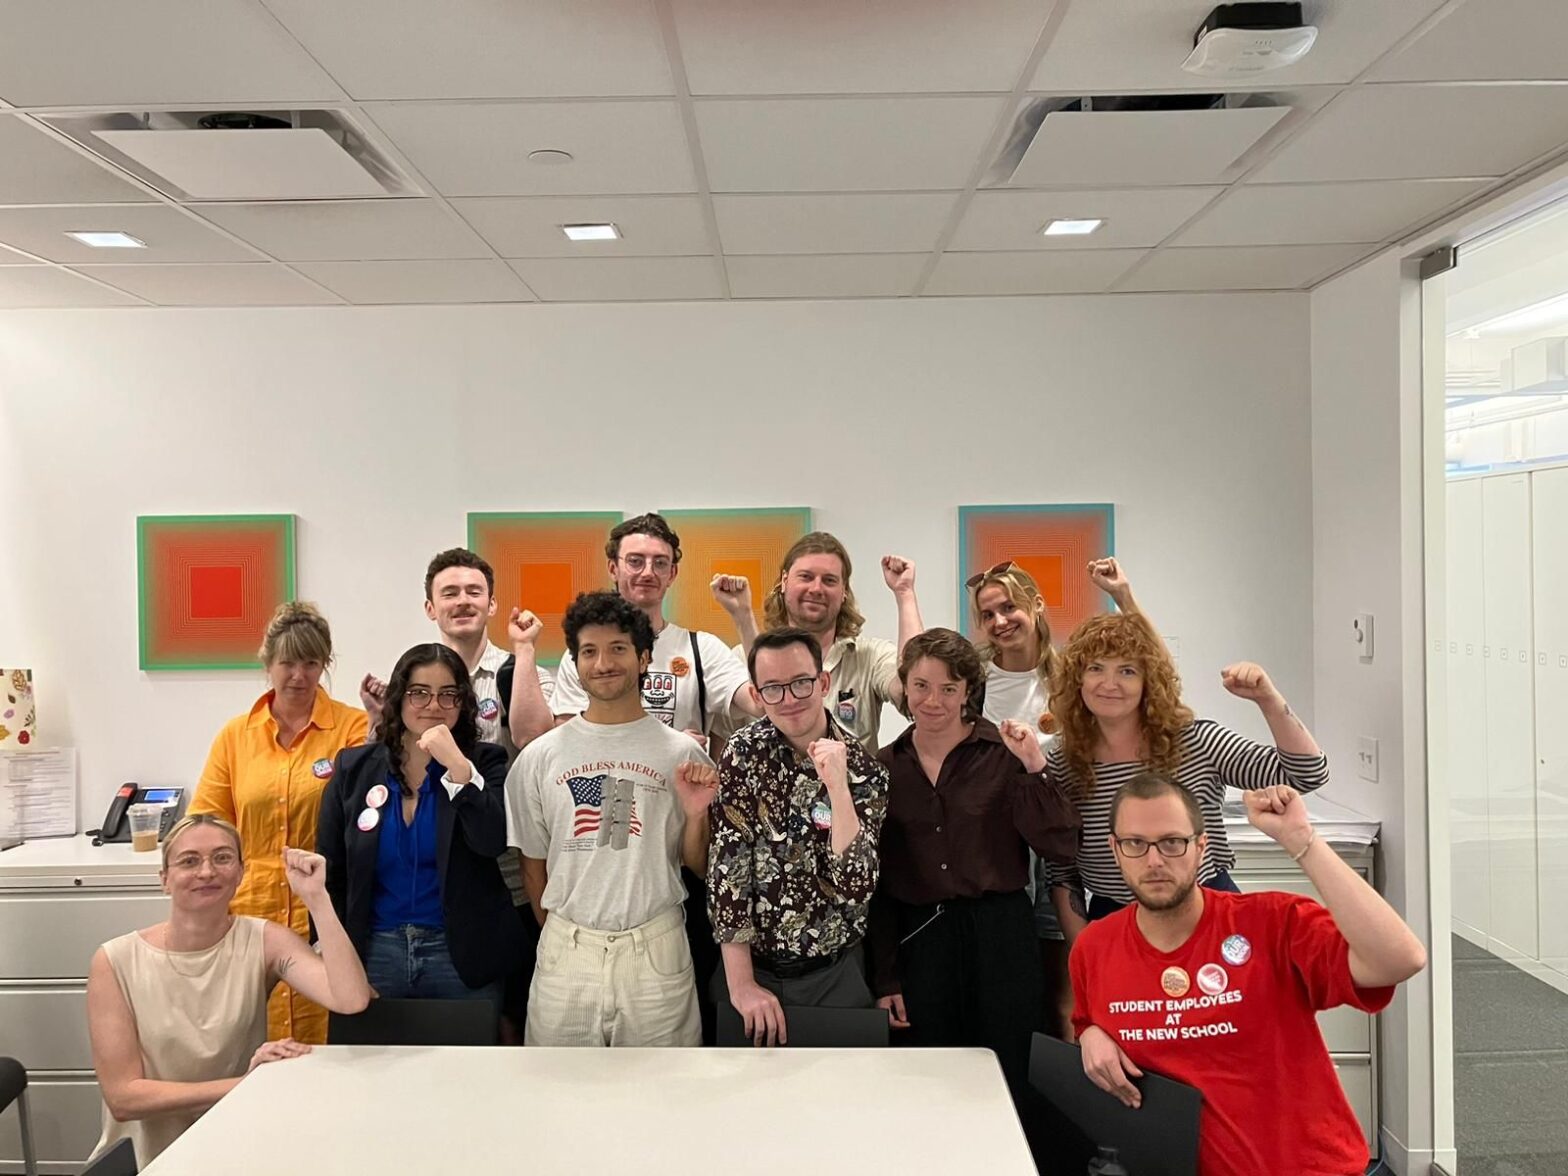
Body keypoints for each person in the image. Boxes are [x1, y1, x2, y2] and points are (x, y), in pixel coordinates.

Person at [1072, 774, 1427, 1174]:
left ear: (1201, 847)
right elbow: (1088, 1021)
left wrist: (1302, 841)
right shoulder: (1093, 947)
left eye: (1172, 842)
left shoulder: (1272, 922)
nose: (1154, 861)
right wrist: (1088, 1034)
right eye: (1135, 843)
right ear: (1115, 850)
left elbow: (1401, 959)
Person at [867, 628, 1081, 1169]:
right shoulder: (884, 766)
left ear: (968, 690)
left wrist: (1035, 767)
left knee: (1010, 1064)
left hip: (1000, 932)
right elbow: (882, 882)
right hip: (922, 937)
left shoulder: (1005, 754)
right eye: (920, 686)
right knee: (931, 1071)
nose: (931, 701)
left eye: (947, 688)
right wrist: (887, 977)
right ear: (904, 687)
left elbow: (1059, 842)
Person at [546, 513, 758, 1043]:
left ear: (673, 573)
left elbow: (761, 703)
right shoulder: (585, 652)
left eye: (659, 563)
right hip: (601, 857)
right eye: (635, 561)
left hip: (676, 854)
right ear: (614, 567)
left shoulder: (701, 649)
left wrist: (744, 619)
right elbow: (573, 739)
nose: (646, 572)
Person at [86, 814, 370, 1167]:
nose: (207, 872)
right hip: (149, 1157)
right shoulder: (115, 960)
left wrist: (317, 900)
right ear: (165, 879)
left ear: (240, 873)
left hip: (237, 1141)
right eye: (189, 861)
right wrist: (247, 1083)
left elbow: (350, 999)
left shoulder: (265, 940)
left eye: (222, 858)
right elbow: (124, 1097)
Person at [506, 591, 720, 1047]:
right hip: (568, 954)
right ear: (575, 662)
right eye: (589, 651)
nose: (603, 662)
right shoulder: (540, 758)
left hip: (656, 953)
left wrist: (696, 814)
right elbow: (532, 867)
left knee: (665, 1096)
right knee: (559, 1095)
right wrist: (570, 939)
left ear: (644, 658)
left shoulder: (682, 754)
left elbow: (700, 866)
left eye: (618, 648)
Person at [1038, 611, 1330, 939]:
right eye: (1095, 669)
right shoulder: (1065, 761)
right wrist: (1084, 954)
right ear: (1078, 678)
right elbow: (1062, 868)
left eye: (1127, 671)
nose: (1109, 684)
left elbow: (1306, 773)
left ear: (1148, 682)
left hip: (1205, 911)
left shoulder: (1195, 741)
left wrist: (1268, 700)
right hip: (1115, 919)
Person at [968, 556, 1145, 1037]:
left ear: (1037, 606)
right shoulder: (976, 681)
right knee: (1014, 976)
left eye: (1009, 607)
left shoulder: (1071, 675)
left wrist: (1124, 596)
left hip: (1062, 844)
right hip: (1001, 844)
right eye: (987, 614)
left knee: (1066, 977)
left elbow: (1145, 669)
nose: (1000, 621)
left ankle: (1069, 1080)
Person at [192, 602, 369, 1043]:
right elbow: (207, 826)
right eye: (288, 662)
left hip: (327, 913)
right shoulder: (235, 737)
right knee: (252, 1044)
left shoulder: (353, 727)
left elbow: (365, 817)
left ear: (324, 665)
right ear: (267, 662)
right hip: (249, 914)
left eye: (311, 663)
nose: (299, 676)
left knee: (332, 1044)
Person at [707, 627, 889, 1045]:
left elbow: (856, 886)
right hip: (750, 968)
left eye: (801, 683)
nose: (788, 699)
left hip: (834, 973)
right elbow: (728, 870)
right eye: (773, 688)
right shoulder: (742, 753)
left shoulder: (866, 768)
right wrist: (741, 985)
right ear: (757, 694)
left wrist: (839, 788)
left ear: (823, 682)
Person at [318, 644, 521, 1004]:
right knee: (375, 1061)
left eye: (448, 695)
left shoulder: (486, 762)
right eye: (419, 694)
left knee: (469, 1062)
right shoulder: (354, 768)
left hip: (460, 955)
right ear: (398, 698)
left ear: (463, 702)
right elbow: (332, 871)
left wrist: (458, 768)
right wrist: (335, 952)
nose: (433, 706)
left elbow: (491, 841)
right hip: (374, 952)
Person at [711, 531, 922, 752]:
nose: (816, 588)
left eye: (829, 580)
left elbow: (915, 693)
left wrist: (904, 593)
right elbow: (721, 747)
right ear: (784, 582)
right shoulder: (740, 658)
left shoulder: (869, 657)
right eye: (806, 577)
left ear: (843, 592)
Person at [360, 547, 555, 755]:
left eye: (473, 592)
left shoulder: (527, 676)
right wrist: (380, 718)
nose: (462, 601)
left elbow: (536, 742)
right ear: (430, 609)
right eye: (450, 594)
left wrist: (525, 647)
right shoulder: (410, 679)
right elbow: (385, 766)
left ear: (491, 605)